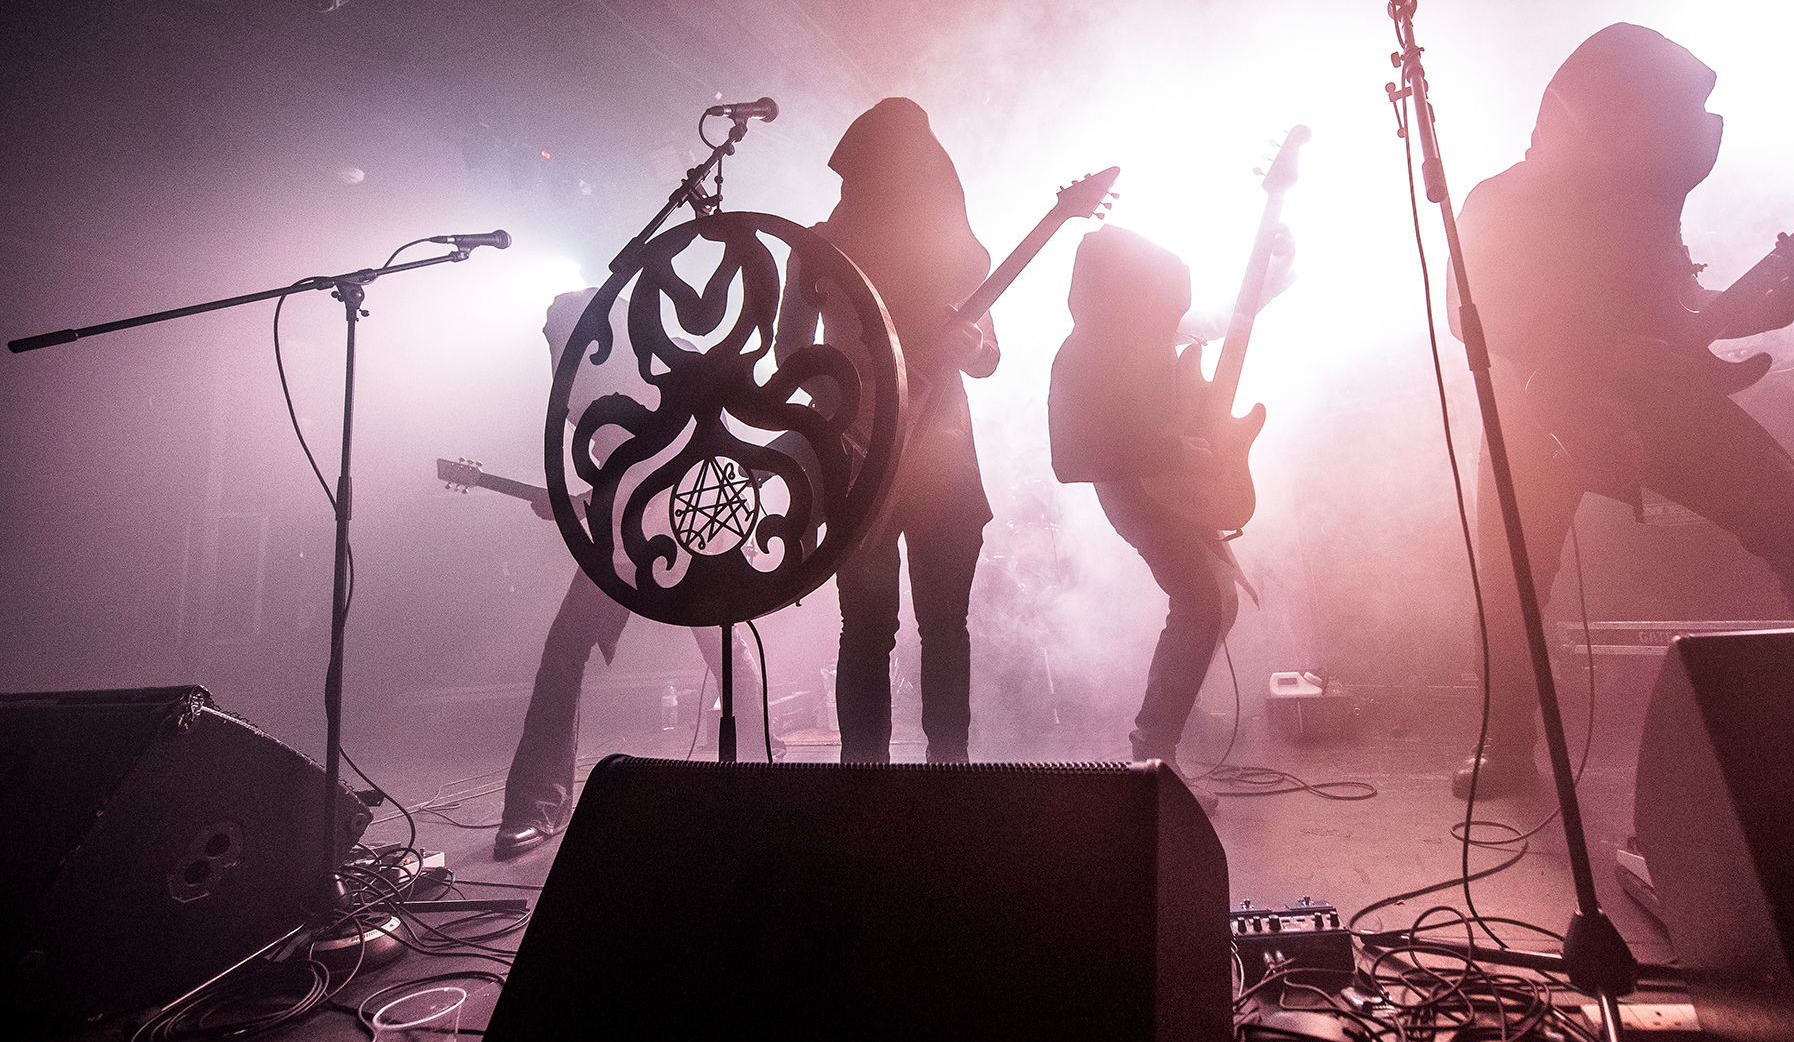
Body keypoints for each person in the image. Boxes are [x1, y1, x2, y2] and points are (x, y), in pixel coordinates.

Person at [1450, 22, 1794, 798]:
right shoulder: (1503, 200)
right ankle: (1506, 744)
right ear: (1603, 109)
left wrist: (1773, 301)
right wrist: (1598, 357)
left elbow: (1681, 306)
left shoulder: (1646, 200)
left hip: (1660, 402)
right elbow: (1477, 320)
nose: (1697, 127)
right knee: (1511, 584)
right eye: (1673, 107)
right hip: (1538, 412)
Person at [493, 290, 767, 861]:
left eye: (559, 338)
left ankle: (760, 768)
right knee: (565, 653)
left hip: (688, 529)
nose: (557, 353)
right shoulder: (581, 383)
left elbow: (700, 447)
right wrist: (576, 502)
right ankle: (535, 806)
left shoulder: (669, 353)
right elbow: (618, 470)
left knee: (722, 644)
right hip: (621, 537)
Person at [778, 97, 999, 764]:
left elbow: (989, 355)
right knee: (871, 628)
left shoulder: (949, 252)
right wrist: (849, 417)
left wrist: (969, 345)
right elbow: (791, 353)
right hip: (860, 463)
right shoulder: (818, 248)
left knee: (941, 625)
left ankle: (945, 772)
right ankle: (865, 778)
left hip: (942, 462)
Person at [1047, 224, 1291, 811]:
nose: (1170, 312)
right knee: (1203, 603)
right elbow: (1070, 460)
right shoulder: (1080, 355)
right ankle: (1154, 752)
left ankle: (1167, 724)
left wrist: (1272, 265)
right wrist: (1173, 453)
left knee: (1216, 603)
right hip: (1131, 493)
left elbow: (1224, 320)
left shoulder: (1150, 329)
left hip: (1177, 485)